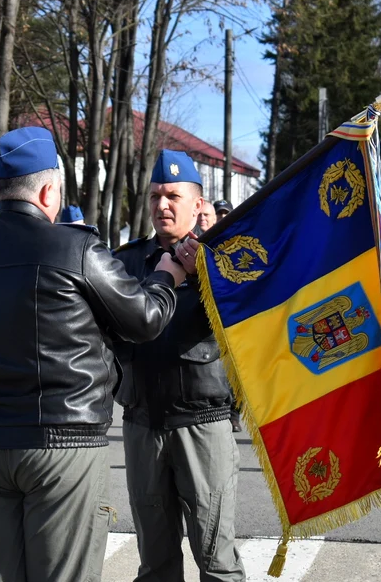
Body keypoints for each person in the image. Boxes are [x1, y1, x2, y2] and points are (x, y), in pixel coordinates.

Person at [0, 126, 190, 582]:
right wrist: (168, 275)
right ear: (49, 190)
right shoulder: (76, 248)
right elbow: (145, 319)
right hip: (63, 443)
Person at [113, 149, 245, 581]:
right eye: (154, 197)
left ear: (198, 203)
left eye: (172, 195)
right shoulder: (126, 262)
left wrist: (209, 265)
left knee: (217, 561)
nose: (162, 205)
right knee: (155, 562)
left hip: (203, 425)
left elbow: (247, 321)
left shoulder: (226, 259)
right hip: (142, 423)